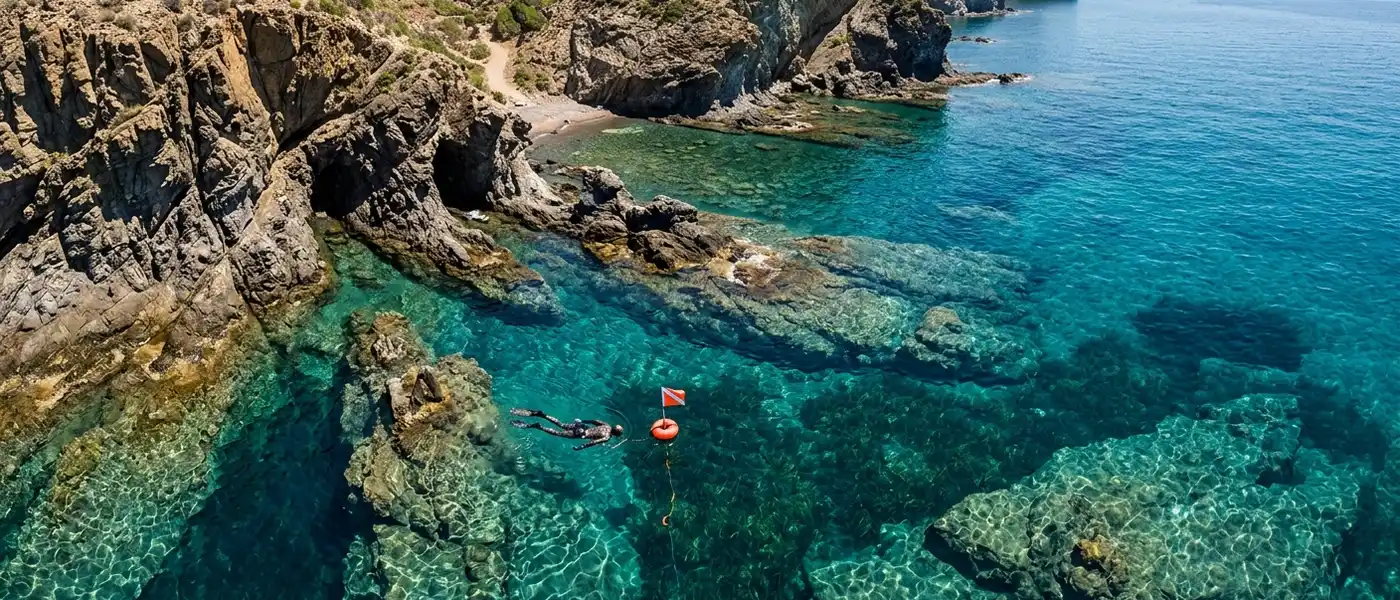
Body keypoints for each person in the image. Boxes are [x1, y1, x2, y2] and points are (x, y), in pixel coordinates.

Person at [509, 408, 623, 450]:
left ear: (613, 427)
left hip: (582, 426)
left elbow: (594, 420)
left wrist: (583, 421)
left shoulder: (606, 425)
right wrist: (581, 446)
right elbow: (594, 442)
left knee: (561, 424)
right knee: (557, 433)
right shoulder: (607, 437)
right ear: (616, 434)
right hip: (580, 434)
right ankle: (539, 427)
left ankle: (543, 415)